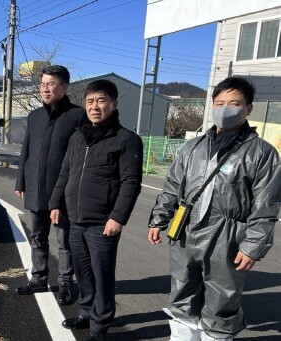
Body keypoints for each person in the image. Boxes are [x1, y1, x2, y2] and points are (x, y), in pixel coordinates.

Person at [148, 76, 280, 341]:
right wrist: (158, 219)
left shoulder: (261, 153)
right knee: (182, 293)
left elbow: (265, 205)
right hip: (185, 230)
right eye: (219, 103)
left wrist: (252, 245)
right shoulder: (192, 147)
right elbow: (173, 187)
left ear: (248, 108)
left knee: (222, 301)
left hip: (228, 237)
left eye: (234, 104)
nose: (225, 110)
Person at [49, 79, 143, 341]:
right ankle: (87, 312)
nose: (95, 106)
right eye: (90, 101)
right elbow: (65, 172)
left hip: (103, 222)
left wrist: (118, 217)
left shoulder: (126, 140)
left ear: (114, 104)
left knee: (102, 275)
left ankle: (100, 326)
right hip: (74, 219)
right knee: (82, 272)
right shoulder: (78, 136)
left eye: (101, 101)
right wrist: (56, 203)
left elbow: (130, 183)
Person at [15, 65, 85, 305]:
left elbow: (81, 156)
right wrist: (21, 180)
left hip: (64, 193)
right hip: (35, 187)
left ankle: (66, 282)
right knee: (37, 236)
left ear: (64, 87)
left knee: (64, 241)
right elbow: (26, 152)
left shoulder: (78, 116)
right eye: (43, 84)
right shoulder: (34, 116)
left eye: (51, 84)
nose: (45, 89)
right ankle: (38, 278)